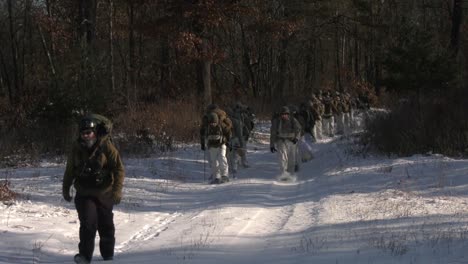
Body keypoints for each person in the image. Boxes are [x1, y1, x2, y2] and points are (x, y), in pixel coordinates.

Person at [62, 114, 125, 264]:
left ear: (95, 133)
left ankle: (108, 255)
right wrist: (66, 188)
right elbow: (70, 170)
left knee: (106, 224)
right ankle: (84, 256)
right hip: (84, 193)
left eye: (89, 133)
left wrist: (116, 191)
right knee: (88, 223)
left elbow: (119, 169)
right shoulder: (76, 148)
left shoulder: (106, 146)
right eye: (83, 133)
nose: (86, 136)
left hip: (104, 192)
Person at [200, 109, 232, 184]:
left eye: (214, 123)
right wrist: (202, 144)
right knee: (213, 161)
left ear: (217, 121)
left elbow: (228, 132)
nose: (213, 124)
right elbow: (202, 135)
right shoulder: (206, 126)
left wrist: (228, 142)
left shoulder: (222, 125)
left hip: (221, 144)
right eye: (211, 123)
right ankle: (216, 177)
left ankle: (225, 176)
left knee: (222, 158)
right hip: (211, 145)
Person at [270, 106, 301, 175]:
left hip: (291, 141)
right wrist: (272, 145)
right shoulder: (277, 121)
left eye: (286, 114)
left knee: (291, 159)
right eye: (283, 114)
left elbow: (298, 130)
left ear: (288, 114)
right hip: (281, 140)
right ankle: (283, 173)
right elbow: (273, 133)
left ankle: (291, 174)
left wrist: (296, 138)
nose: (284, 116)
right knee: (282, 158)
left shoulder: (293, 120)